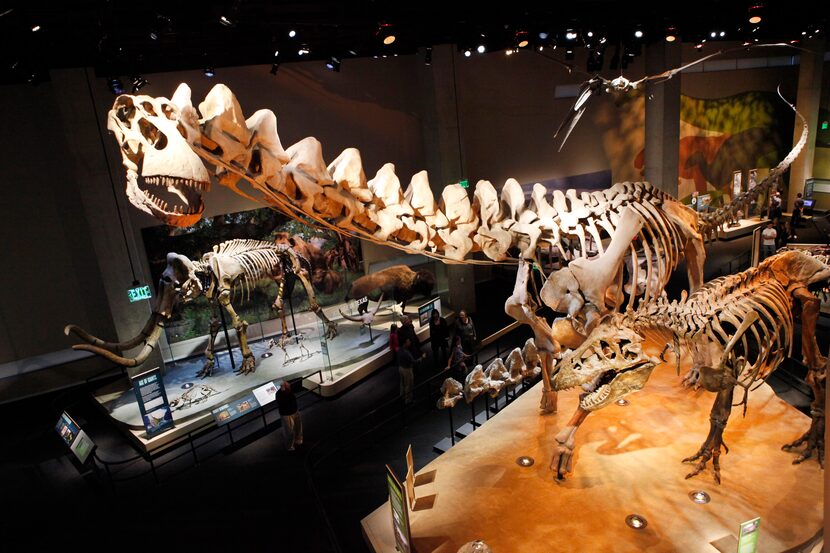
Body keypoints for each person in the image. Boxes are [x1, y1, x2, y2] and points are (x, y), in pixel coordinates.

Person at [276, 380, 303, 451]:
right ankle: (289, 446)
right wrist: (284, 392)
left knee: (298, 427)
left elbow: (293, 399)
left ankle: (298, 439)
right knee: (289, 431)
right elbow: (283, 403)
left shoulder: (289, 391)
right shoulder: (279, 394)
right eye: (287, 386)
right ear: (283, 387)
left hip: (295, 411)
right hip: (287, 415)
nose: (289, 386)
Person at [397, 336, 423, 404]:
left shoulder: (399, 349)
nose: (410, 342)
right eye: (408, 341)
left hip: (400, 368)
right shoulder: (406, 352)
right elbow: (414, 362)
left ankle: (402, 396)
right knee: (409, 385)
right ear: (404, 343)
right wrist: (421, 358)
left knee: (402, 383)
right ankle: (408, 400)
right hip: (407, 370)